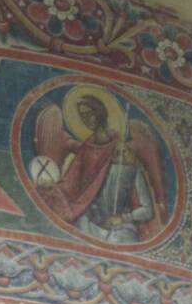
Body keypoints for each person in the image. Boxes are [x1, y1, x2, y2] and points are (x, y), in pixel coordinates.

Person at [34, 93, 166, 243]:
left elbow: (147, 209)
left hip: (120, 229)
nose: (87, 119)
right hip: (89, 222)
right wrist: (52, 189)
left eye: (90, 113)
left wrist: (123, 218)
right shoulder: (86, 149)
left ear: (100, 112)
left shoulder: (126, 158)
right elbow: (71, 182)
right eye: (83, 116)